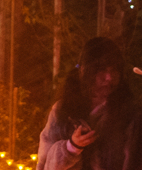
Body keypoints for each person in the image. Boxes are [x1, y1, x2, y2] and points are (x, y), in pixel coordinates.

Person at [37, 37, 140, 170]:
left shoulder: (129, 114)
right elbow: (45, 164)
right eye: (102, 69)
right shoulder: (63, 110)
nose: (109, 78)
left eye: (114, 70)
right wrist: (71, 148)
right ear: (84, 70)